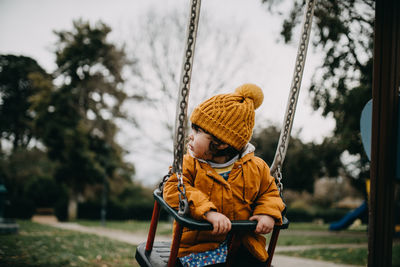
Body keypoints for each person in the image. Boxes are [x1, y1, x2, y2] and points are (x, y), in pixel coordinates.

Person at [163, 83, 285, 267]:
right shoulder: (188, 164)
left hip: (244, 246)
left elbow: (270, 194)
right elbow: (173, 188)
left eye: (197, 131)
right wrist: (208, 212)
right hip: (199, 250)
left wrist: (267, 214)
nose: (190, 136)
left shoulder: (256, 167)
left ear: (221, 143)